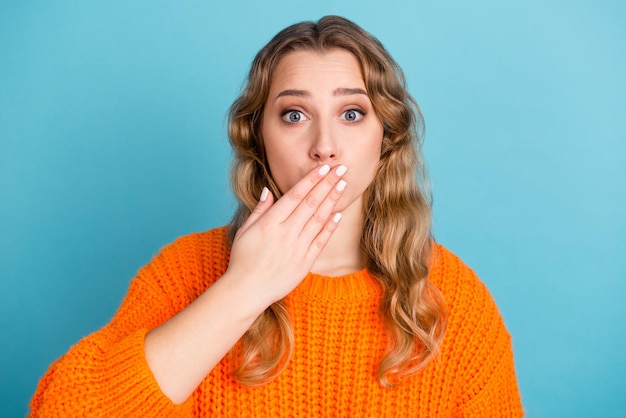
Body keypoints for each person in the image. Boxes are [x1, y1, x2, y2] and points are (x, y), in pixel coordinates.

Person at [30, 15, 523, 417]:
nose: (325, 148)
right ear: (257, 137)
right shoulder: (184, 274)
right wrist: (244, 288)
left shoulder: (454, 302)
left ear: (386, 138)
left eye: (352, 113)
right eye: (294, 115)